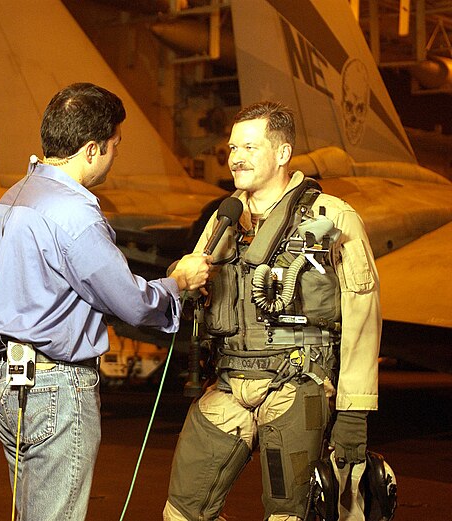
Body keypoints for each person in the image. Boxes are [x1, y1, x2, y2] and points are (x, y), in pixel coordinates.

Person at [0, 82, 212, 521]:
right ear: (93, 149)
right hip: (56, 389)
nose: (116, 155)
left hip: (5, 383)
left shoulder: (10, 200)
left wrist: (18, 322)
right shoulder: (74, 213)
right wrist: (176, 283)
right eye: (115, 145)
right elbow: (131, 303)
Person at [164, 101, 381, 521]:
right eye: (231, 148)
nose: (236, 158)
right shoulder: (225, 217)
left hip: (296, 382)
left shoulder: (332, 217)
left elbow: (362, 315)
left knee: (287, 514)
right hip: (229, 381)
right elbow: (195, 275)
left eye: (249, 146)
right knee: (183, 509)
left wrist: (355, 410)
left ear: (282, 153)